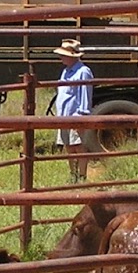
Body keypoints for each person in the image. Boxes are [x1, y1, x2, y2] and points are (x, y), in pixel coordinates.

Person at [53, 38, 93, 181]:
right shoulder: (66, 71)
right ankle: (73, 175)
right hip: (64, 116)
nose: (61, 57)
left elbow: (85, 95)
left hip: (75, 115)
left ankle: (81, 176)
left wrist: (81, 116)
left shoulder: (83, 72)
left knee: (78, 146)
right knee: (69, 146)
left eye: (63, 55)